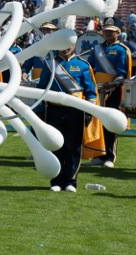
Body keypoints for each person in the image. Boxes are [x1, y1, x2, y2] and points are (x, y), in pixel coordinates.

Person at [39, 41, 98, 191]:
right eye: (63, 44)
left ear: (74, 46)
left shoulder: (83, 65)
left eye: (69, 45)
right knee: (55, 146)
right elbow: (41, 87)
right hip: (54, 110)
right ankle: (57, 181)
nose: (65, 48)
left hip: (76, 111)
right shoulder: (49, 63)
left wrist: (90, 110)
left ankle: (71, 181)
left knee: (73, 147)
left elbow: (90, 90)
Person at [84, 17, 132, 168]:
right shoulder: (97, 48)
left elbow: (122, 73)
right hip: (97, 90)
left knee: (111, 124)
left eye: (111, 32)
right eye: (105, 31)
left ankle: (109, 157)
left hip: (113, 91)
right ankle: (98, 154)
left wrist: (111, 84)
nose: (108, 34)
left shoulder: (121, 50)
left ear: (118, 33)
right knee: (97, 124)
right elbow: (89, 67)